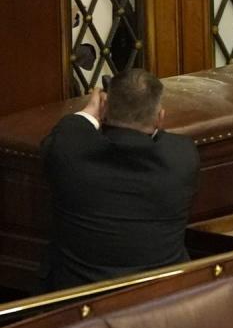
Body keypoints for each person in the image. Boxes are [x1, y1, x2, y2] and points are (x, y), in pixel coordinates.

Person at [41, 69, 199, 291]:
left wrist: (89, 112)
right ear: (160, 117)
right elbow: (166, 140)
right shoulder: (182, 156)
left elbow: (69, 131)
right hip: (163, 298)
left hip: (78, 302)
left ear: (104, 109)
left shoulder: (68, 151)